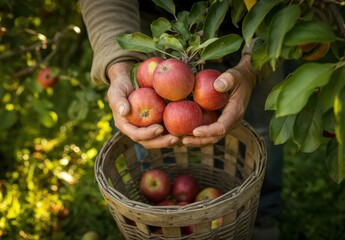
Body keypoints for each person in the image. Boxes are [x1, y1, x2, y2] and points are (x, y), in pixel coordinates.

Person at [79, 0, 283, 239]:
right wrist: (119, 67)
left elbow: (281, 8)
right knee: (154, 138)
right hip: (162, 29)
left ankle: (262, 215)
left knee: (261, 129)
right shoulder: (159, 66)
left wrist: (250, 71)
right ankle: (157, 214)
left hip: (255, 20)